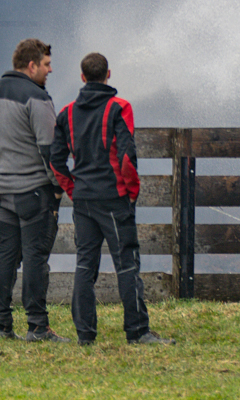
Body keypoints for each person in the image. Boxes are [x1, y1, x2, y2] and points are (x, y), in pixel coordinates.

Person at [51, 51, 170, 347]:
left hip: (83, 200)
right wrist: (132, 192)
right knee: (126, 263)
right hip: (114, 198)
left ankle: (85, 335)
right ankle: (137, 331)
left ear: (82, 77)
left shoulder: (66, 113)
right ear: (109, 74)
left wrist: (73, 190)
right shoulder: (120, 107)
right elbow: (127, 157)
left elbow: (55, 161)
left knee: (85, 265)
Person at [0, 37, 62, 342]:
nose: (50, 70)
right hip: (35, 192)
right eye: (47, 65)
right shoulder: (37, 98)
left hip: (3, 191)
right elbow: (50, 149)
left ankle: (0, 324)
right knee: (35, 257)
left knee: (6, 254)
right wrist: (58, 187)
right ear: (32, 65)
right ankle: (37, 326)